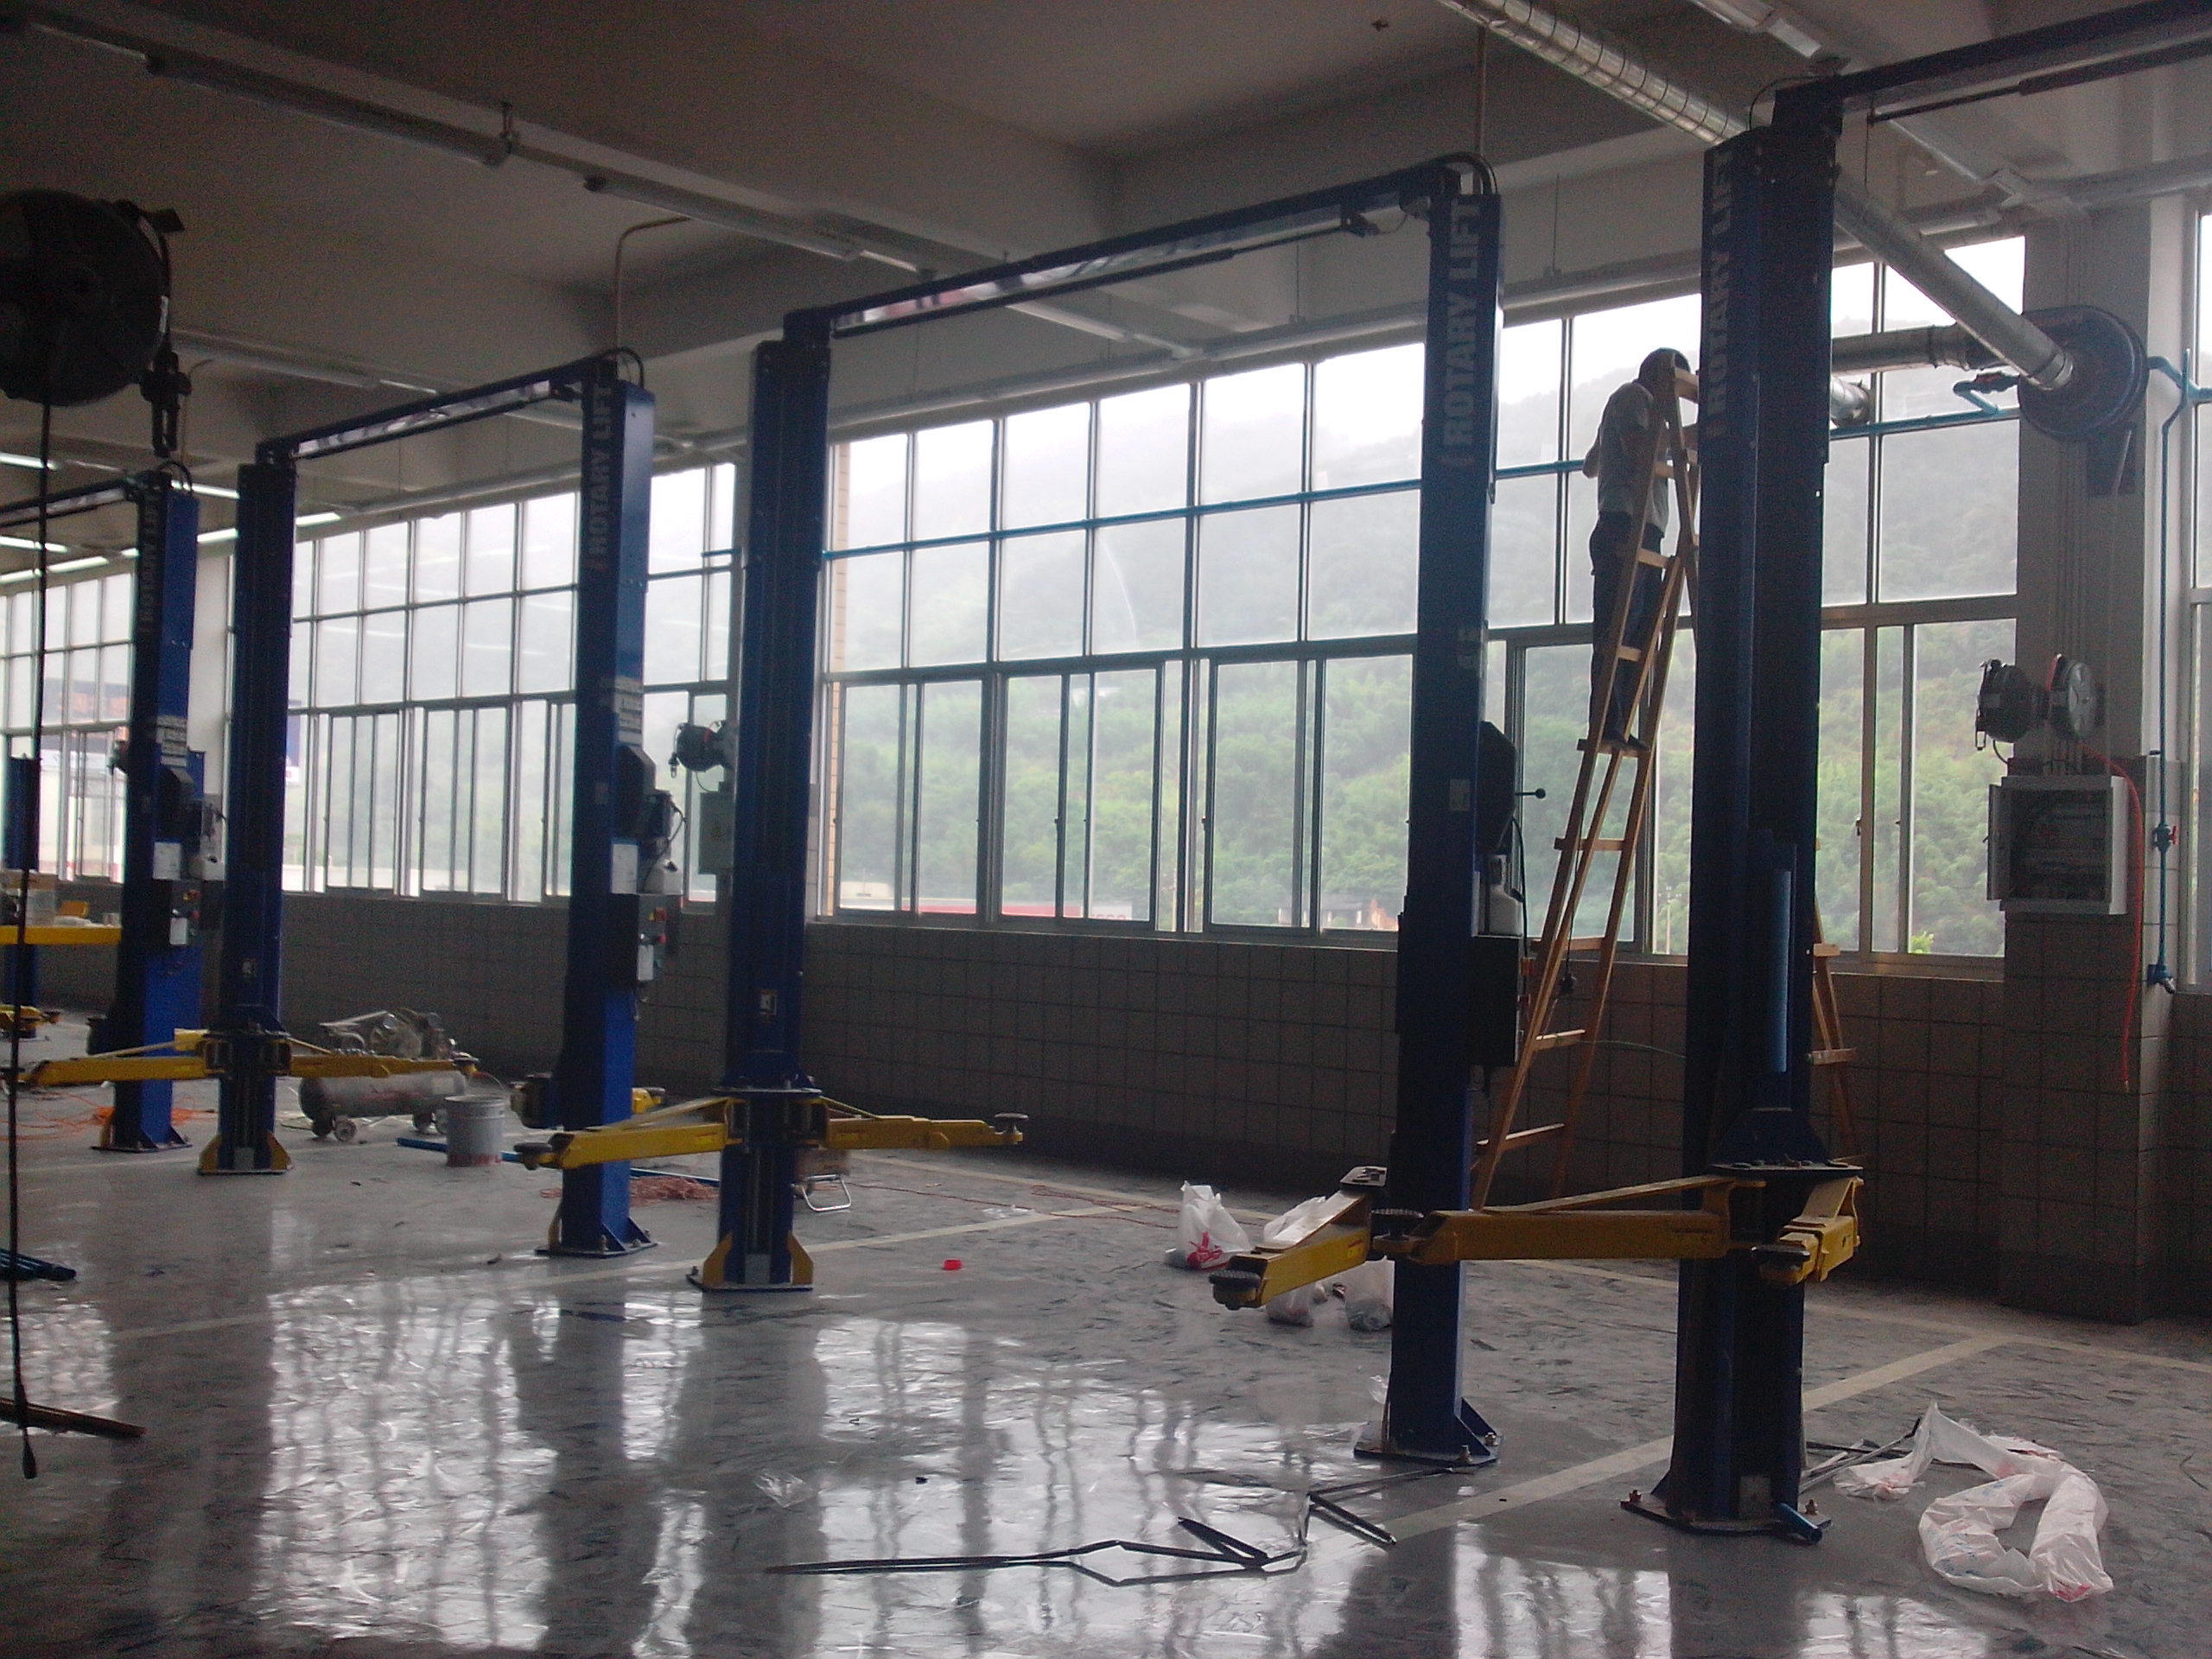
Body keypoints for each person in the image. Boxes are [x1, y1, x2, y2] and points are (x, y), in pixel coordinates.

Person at [1582, 346, 1696, 744]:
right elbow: (1637, 447)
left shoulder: (1634, 406)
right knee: (1620, 631)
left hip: (1643, 530)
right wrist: (1687, 437)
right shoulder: (1634, 397)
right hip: (1625, 525)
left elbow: (1591, 464)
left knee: (1637, 634)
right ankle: (1608, 723)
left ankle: (1618, 722)